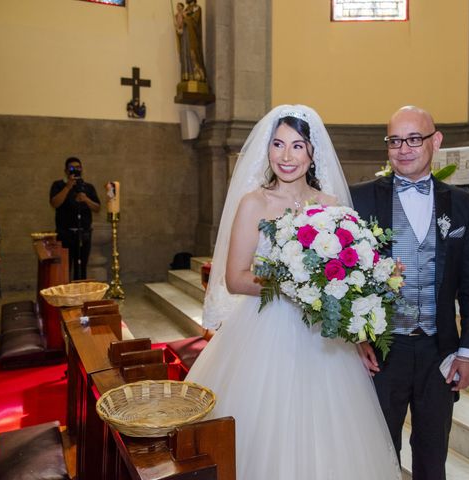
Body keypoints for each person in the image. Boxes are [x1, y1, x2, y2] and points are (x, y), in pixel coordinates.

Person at [185, 104, 401, 480]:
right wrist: (291, 285)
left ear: (313, 152)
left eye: (298, 146)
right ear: (266, 149)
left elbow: (347, 281)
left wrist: (355, 327)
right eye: (279, 145)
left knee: (331, 439)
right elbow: (235, 278)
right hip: (265, 330)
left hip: (321, 337)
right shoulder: (254, 203)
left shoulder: (331, 207)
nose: (286, 156)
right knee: (266, 431)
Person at [350, 106, 469, 480]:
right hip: (381, 353)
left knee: (432, 455)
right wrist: (355, 338)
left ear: (435, 141)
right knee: (378, 454)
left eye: (414, 139)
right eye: (395, 140)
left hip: (438, 352)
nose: (403, 148)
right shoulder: (359, 200)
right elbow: (343, 278)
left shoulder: (460, 204)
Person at [49, 157, 101, 280]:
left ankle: (81, 295)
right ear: (66, 171)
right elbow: (54, 203)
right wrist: (67, 187)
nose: (76, 170)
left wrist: (86, 199)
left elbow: (97, 207)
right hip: (65, 234)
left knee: (81, 267)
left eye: (78, 167)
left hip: (84, 234)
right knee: (65, 268)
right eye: (72, 168)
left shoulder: (88, 187)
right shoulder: (58, 185)